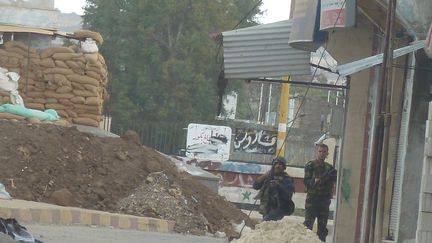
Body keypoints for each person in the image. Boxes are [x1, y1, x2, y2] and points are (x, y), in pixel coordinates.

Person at [303, 143, 337, 242]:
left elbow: (335, 178)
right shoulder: (310, 165)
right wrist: (315, 181)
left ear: (327, 154)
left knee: (322, 226)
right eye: (320, 151)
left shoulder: (329, 168)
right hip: (313, 199)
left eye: (324, 152)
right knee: (308, 224)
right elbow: (306, 181)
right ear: (316, 152)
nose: (322, 153)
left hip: (325, 200)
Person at [253, 156, 295, 221]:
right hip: (267, 207)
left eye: (280, 164)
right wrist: (264, 176)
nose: (278, 166)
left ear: (284, 167)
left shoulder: (287, 179)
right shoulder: (268, 176)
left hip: (280, 208)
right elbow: (255, 186)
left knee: (266, 222)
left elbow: (288, 196)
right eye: (276, 163)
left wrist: (278, 186)